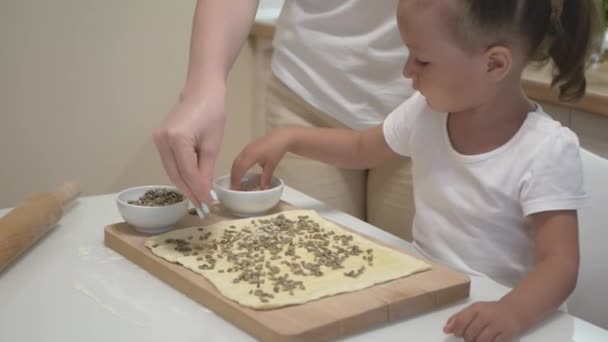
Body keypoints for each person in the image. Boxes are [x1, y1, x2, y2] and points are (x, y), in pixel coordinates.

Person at [230, 0, 603, 340]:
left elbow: (560, 264)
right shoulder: (424, 113)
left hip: (511, 327)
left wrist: (511, 313)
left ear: (494, 64)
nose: (407, 71)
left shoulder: (546, 150)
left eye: (421, 61)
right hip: (437, 311)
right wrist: (292, 138)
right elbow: (361, 149)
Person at [153, 0, 417, 240]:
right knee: (308, 257)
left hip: (424, 105)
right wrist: (202, 88)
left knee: (414, 266)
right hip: (308, 90)